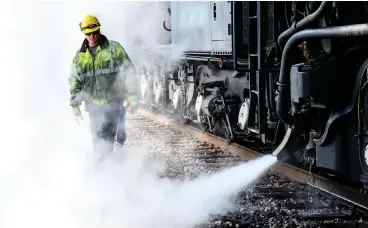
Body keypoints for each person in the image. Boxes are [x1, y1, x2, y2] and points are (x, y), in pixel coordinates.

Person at [68, 14, 138, 158]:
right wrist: (75, 105)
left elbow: (129, 71)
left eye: (95, 32)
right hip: (93, 105)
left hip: (112, 103)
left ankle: (104, 167)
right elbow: (75, 80)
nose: (93, 36)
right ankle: (103, 168)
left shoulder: (114, 49)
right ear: (84, 33)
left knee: (106, 140)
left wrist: (133, 95)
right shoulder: (80, 57)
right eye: (89, 33)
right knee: (97, 138)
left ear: (99, 30)